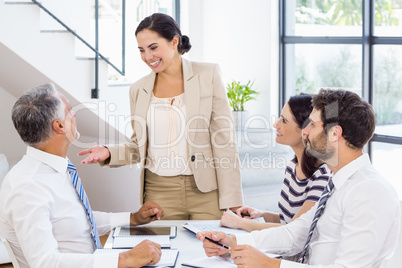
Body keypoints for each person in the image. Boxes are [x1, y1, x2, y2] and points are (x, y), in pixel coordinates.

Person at [197, 89, 400, 267]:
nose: (305, 131)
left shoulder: (369, 191)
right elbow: (295, 234)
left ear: (335, 133)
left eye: (312, 124)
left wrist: (271, 265)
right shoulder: (338, 182)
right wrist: (234, 242)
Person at [78, 13, 243, 220]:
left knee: (212, 250)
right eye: (141, 50)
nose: (148, 57)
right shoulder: (138, 90)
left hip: (207, 191)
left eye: (153, 47)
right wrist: (108, 153)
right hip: (159, 192)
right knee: (164, 251)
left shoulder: (207, 75)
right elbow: (139, 146)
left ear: (174, 41)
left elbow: (224, 141)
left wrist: (234, 200)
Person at [0, 83, 166, 268]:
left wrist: (132, 218)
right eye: (70, 111)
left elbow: (76, 219)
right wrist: (124, 259)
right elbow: (44, 263)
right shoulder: (28, 187)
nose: (75, 115)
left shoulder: (56, 168)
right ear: (60, 125)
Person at [220, 94, 331, 232]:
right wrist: (262, 214)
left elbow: (295, 231)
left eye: (284, 120)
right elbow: (289, 220)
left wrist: (239, 223)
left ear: (305, 130)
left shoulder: (323, 176)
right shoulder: (292, 167)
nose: (275, 124)